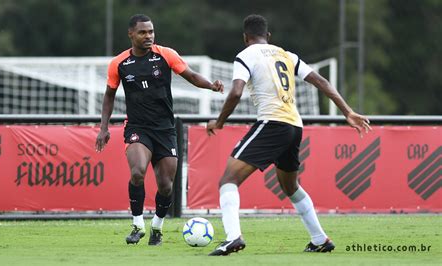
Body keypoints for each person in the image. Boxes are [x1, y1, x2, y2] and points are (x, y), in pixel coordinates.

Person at [206, 14, 372, 256]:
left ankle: (233, 238)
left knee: (228, 181)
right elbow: (320, 80)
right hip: (295, 126)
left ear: (245, 38)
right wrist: (347, 111)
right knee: (290, 186)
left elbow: (235, 93)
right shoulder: (286, 54)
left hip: (272, 123)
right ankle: (319, 239)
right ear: (268, 36)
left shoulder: (245, 55)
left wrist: (219, 122)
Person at [95, 14, 224, 246]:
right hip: (137, 127)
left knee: (166, 185)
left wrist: (211, 86)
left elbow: (192, 76)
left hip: (165, 129)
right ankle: (137, 225)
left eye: (151, 32)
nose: (149, 36)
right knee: (137, 172)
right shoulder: (119, 63)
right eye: (143, 32)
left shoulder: (166, 55)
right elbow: (109, 96)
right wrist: (103, 128)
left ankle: (156, 227)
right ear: (131, 34)